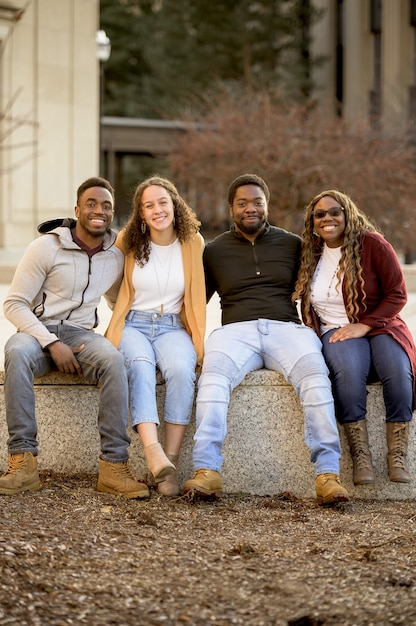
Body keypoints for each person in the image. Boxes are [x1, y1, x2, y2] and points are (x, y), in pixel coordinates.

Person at [182, 173, 349, 506]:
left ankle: (327, 475)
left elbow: (335, 269)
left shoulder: (294, 245)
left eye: (257, 202)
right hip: (235, 332)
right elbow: (191, 302)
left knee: (316, 379)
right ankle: (207, 470)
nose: (250, 208)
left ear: (266, 205)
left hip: (287, 328)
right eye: (242, 203)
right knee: (212, 382)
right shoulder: (213, 252)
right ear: (231, 208)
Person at [0, 176, 149, 499]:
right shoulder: (45, 247)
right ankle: (23, 462)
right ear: (77, 209)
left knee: (112, 360)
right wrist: (51, 343)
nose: (99, 210)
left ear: (112, 213)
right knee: (15, 351)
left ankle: (114, 466)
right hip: (37, 332)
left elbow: (118, 300)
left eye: (106, 206)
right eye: (92, 204)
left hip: (82, 336)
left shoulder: (114, 255)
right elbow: (13, 304)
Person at [293, 189, 416, 485]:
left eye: (335, 211)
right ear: (312, 222)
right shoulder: (310, 253)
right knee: (347, 374)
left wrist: (364, 325)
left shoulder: (372, 244)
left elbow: (397, 294)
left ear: (347, 214)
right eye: (319, 214)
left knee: (398, 371)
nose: (327, 218)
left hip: (380, 326)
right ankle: (361, 457)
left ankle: (397, 455)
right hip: (335, 331)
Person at [106, 176, 205, 496]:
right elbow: (111, 286)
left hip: (172, 327)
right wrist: (121, 309)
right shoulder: (128, 241)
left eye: (162, 202)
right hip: (133, 324)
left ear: (174, 204)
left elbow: (196, 293)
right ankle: (153, 452)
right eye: (149, 205)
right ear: (141, 213)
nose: (157, 209)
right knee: (139, 364)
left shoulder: (193, 243)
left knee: (180, 370)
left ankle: (170, 466)